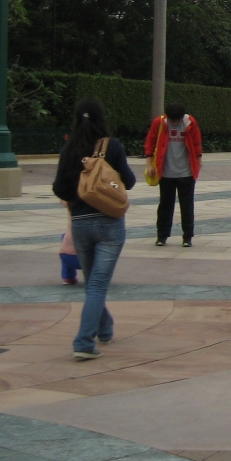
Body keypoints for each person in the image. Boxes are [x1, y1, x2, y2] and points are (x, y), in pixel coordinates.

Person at [52, 98, 137, 360]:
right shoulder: (112, 146)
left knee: (93, 283)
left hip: (79, 224)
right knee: (97, 285)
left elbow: (60, 188)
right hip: (109, 224)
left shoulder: (69, 149)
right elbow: (130, 181)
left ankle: (105, 327)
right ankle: (83, 342)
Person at [145, 102, 203, 248]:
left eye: (178, 120)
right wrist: (149, 164)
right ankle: (161, 236)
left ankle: (187, 236)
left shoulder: (190, 122)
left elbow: (197, 143)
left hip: (186, 172)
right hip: (166, 172)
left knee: (187, 206)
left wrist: (198, 162)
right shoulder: (160, 123)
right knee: (165, 205)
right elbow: (150, 143)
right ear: (167, 116)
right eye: (173, 120)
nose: (175, 123)